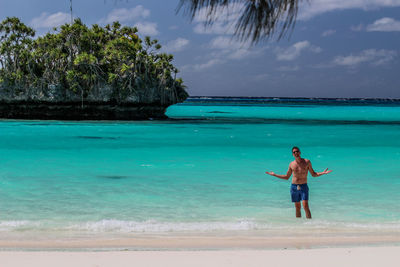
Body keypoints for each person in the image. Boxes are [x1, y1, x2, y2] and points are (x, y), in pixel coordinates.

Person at [265, 146, 332, 219]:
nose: (296, 153)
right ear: (292, 154)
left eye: (297, 151)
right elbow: (287, 177)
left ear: (300, 152)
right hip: (294, 187)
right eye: (294, 152)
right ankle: (298, 225)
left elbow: (313, 174)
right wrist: (274, 175)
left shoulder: (307, 162)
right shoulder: (291, 164)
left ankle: (309, 224)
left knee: (305, 206)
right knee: (297, 207)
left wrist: (323, 173)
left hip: (304, 186)